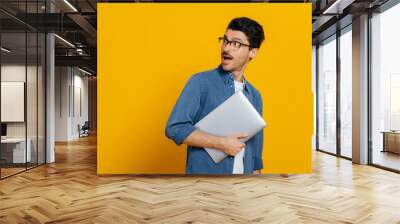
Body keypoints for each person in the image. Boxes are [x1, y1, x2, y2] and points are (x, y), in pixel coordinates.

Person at [165, 17, 265, 174]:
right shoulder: (200, 82)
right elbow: (175, 128)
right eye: (225, 41)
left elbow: (256, 149)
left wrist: (256, 179)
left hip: (243, 185)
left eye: (236, 44)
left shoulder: (255, 96)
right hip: (205, 185)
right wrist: (221, 143)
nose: (226, 48)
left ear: (252, 52)